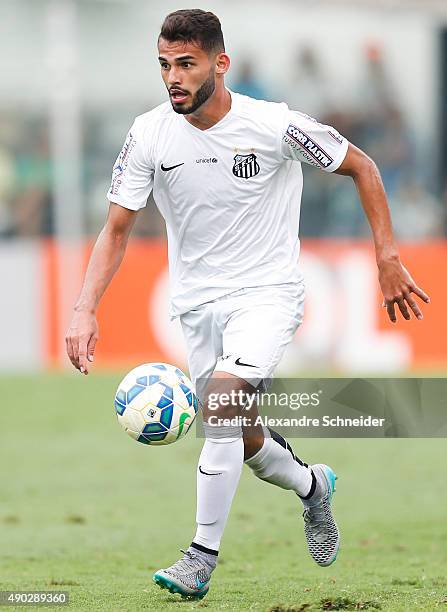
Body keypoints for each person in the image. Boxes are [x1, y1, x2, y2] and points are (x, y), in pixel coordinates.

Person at [65, 9, 430, 601]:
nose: (174, 77)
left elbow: (362, 166)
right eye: (165, 65)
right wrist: (84, 307)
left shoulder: (275, 125)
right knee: (242, 436)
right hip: (195, 304)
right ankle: (313, 486)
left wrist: (387, 255)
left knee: (222, 406)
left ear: (220, 63)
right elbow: (116, 229)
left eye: (186, 64)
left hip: (268, 294)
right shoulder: (149, 134)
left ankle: (200, 556)